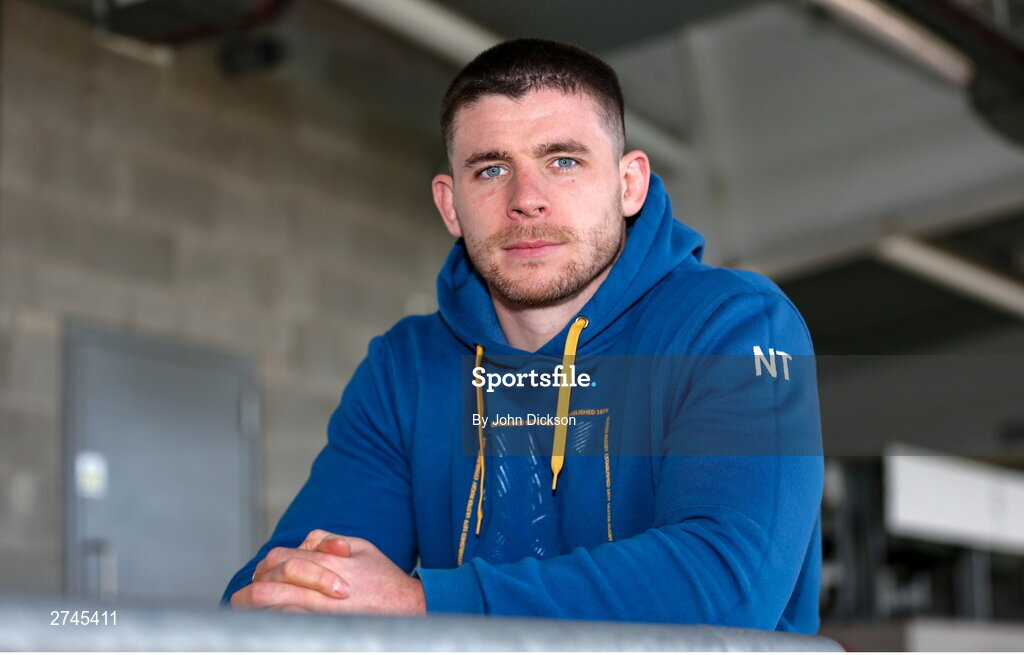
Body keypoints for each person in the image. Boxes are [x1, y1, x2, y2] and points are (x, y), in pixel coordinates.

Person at [222, 38, 823, 631]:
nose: (526, 200)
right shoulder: (407, 367)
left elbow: (725, 585)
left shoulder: (736, 327)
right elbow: (285, 587)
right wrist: (291, 597)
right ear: (450, 204)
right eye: (491, 169)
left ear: (629, 184)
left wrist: (423, 604)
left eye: (563, 161)